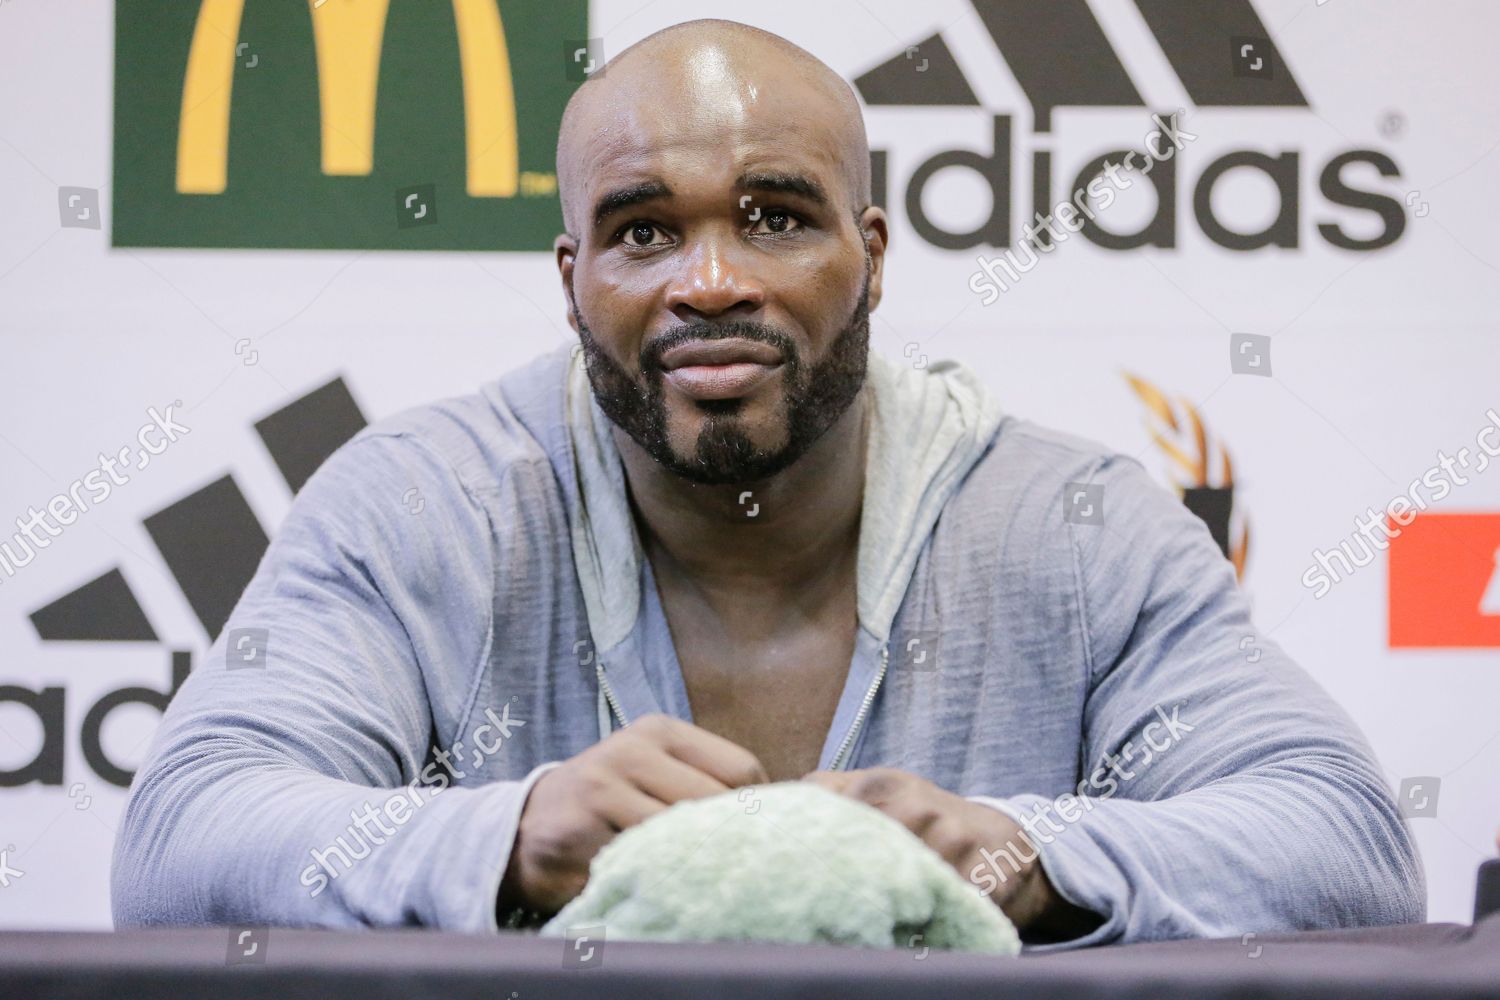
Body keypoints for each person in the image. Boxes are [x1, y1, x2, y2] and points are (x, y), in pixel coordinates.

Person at [112, 19, 1424, 948]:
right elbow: (186, 840)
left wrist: (1018, 858)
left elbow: (1343, 843)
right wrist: (508, 834)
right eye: (643, 231)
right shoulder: (424, 505)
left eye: (776, 217)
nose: (710, 282)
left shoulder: (1074, 525)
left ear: (872, 255)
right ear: (571, 278)